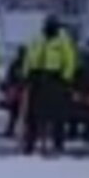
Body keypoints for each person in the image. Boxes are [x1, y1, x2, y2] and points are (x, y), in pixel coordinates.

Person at [22, 16, 77, 155]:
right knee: (33, 113)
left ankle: (58, 143)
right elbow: (29, 57)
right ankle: (30, 142)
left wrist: (65, 78)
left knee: (57, 114)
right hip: (37, 78)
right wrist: (26, 74)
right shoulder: (38, 39)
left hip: (54, 79)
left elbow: (69, 60)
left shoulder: (63, 41)